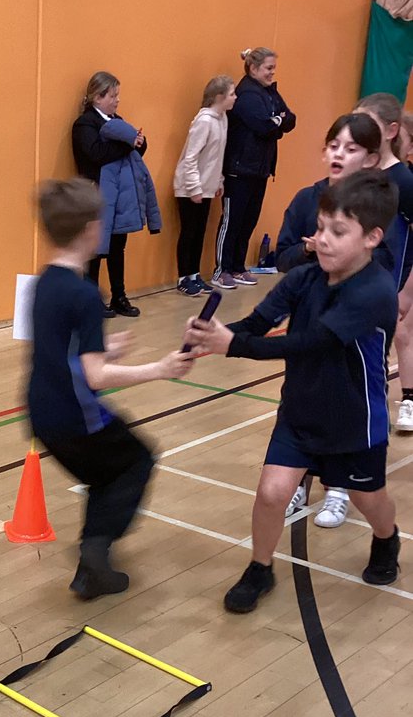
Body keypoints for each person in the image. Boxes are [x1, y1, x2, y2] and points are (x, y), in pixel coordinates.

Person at [186, 171, 400, 613]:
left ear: (372, 238)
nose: (322, 240)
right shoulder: (304, 279)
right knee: (270, 493)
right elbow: (259, 322)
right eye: (321, 228)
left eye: (338, 232)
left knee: (368, 499)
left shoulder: (376, 292)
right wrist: (218, 333)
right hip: (300, 410)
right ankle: (260, 568)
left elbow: (311, 344)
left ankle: (387, 538)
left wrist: (235, 346)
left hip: (355, 422)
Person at [28, 178, 194, 600]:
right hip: (75, 416)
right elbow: (95, 377)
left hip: (41, 414)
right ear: (89, 229)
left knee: (105, 473)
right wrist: (160, 368)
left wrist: (102, 348)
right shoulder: (84, 294)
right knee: (136, 460)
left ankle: (92, 562)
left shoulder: (44, 283)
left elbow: (58, 349)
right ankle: (95, 555)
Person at [276, 112, 383, 529]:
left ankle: (337, 489)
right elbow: (281, 258)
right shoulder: (306, 200)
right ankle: (298, 481)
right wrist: (306, 251)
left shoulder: (375, 206)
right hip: (307, 325)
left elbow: (386, 264)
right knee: (298, 399)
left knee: (347, 401)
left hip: (355, 329)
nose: (339, 154)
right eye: (334, 145)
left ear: (370, 158)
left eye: (351, 148)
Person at [213, 47, 296, 290]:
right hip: (240, 168)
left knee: (248, 221)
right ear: (253, 68)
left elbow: (290, 119)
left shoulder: (270, 92)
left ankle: (238, 267)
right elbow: (261, 126)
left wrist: (277, 121)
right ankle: (222, 269)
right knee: (232, 221)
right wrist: (276, 122)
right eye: (269, 68)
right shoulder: (247, 94)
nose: (272, 73)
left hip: (260, 169)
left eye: (273, 68)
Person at [355, 93, 413, 432]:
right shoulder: (359, 175)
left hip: (387, 288)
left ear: (390, 131)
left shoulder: (404, 182)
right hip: (354, 287)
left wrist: (405, 290)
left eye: (369, 123)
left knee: (373, 367)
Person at [71, 72, 151, 318]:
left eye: (118, 95)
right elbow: (96, 154)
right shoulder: (85, 124)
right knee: (95, 249)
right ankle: (90, 300)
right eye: (113, 96)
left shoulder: (118, 120)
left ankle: (119, 296)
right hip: (96, 194)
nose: (117, 100)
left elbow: (134, 150)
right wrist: (127, 143)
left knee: (118, 248)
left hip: (119, 196)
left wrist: (138, 142)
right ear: (97, 97)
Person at [173, 75, 236, 297]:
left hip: (207, 187)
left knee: (200, 232)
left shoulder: (223, 119)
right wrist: (195, 188)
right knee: (189, 232)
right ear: (219, 97)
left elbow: (217, 157)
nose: (234, 98)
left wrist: (218, 181)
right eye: (231, 94)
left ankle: (194, 274)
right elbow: (191, 158)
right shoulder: (204, 121)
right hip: (189, 188)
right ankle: (183, 278)